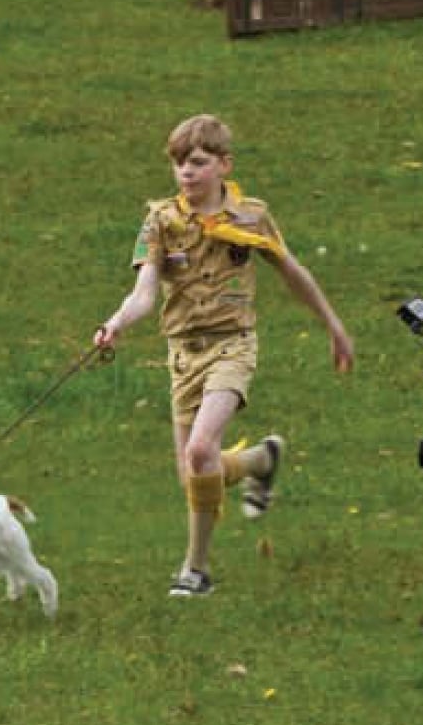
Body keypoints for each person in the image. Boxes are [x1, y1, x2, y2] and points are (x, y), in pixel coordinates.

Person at [93, 114, 354, 597]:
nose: (186, 173)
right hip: (182, 355)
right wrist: (115, 324)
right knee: (195, 474)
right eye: (179, 164)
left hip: (232, 346)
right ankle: (260, 461)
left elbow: (292, 271)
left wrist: (334, 326)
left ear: (224, 165)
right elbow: (144, 293)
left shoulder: (250, 216)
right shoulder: (160, 222)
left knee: (199, 451)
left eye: (197, 162)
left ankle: (196, 571)